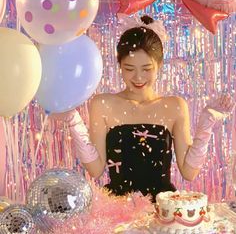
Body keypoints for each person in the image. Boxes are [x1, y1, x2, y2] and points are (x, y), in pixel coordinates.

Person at [53, 14, 235, 202]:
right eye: (129, 69)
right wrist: (74, 121)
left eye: (147, 69)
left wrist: (206, 122)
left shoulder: (174, 106)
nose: (138, 77)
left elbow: (189, 172)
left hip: (162, 212)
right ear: (119, 66)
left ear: (160, 65)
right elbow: (95, 169)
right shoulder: (102, 104)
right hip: (117, 212)